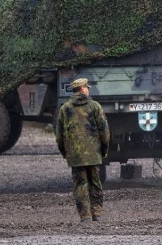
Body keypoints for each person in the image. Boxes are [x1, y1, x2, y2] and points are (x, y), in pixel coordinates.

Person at [56, 77, 110, 223]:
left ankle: (85, 216)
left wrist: (65, 153)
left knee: (80, 185)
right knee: (95, 183)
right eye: (87, 87)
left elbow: (59, 136)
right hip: (93, 153)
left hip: (75, 155)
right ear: (82, 89)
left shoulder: (65, 108)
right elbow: (104, 132)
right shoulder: (94, 106)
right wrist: (103, 150)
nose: (88, 89)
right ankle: (96, 214)